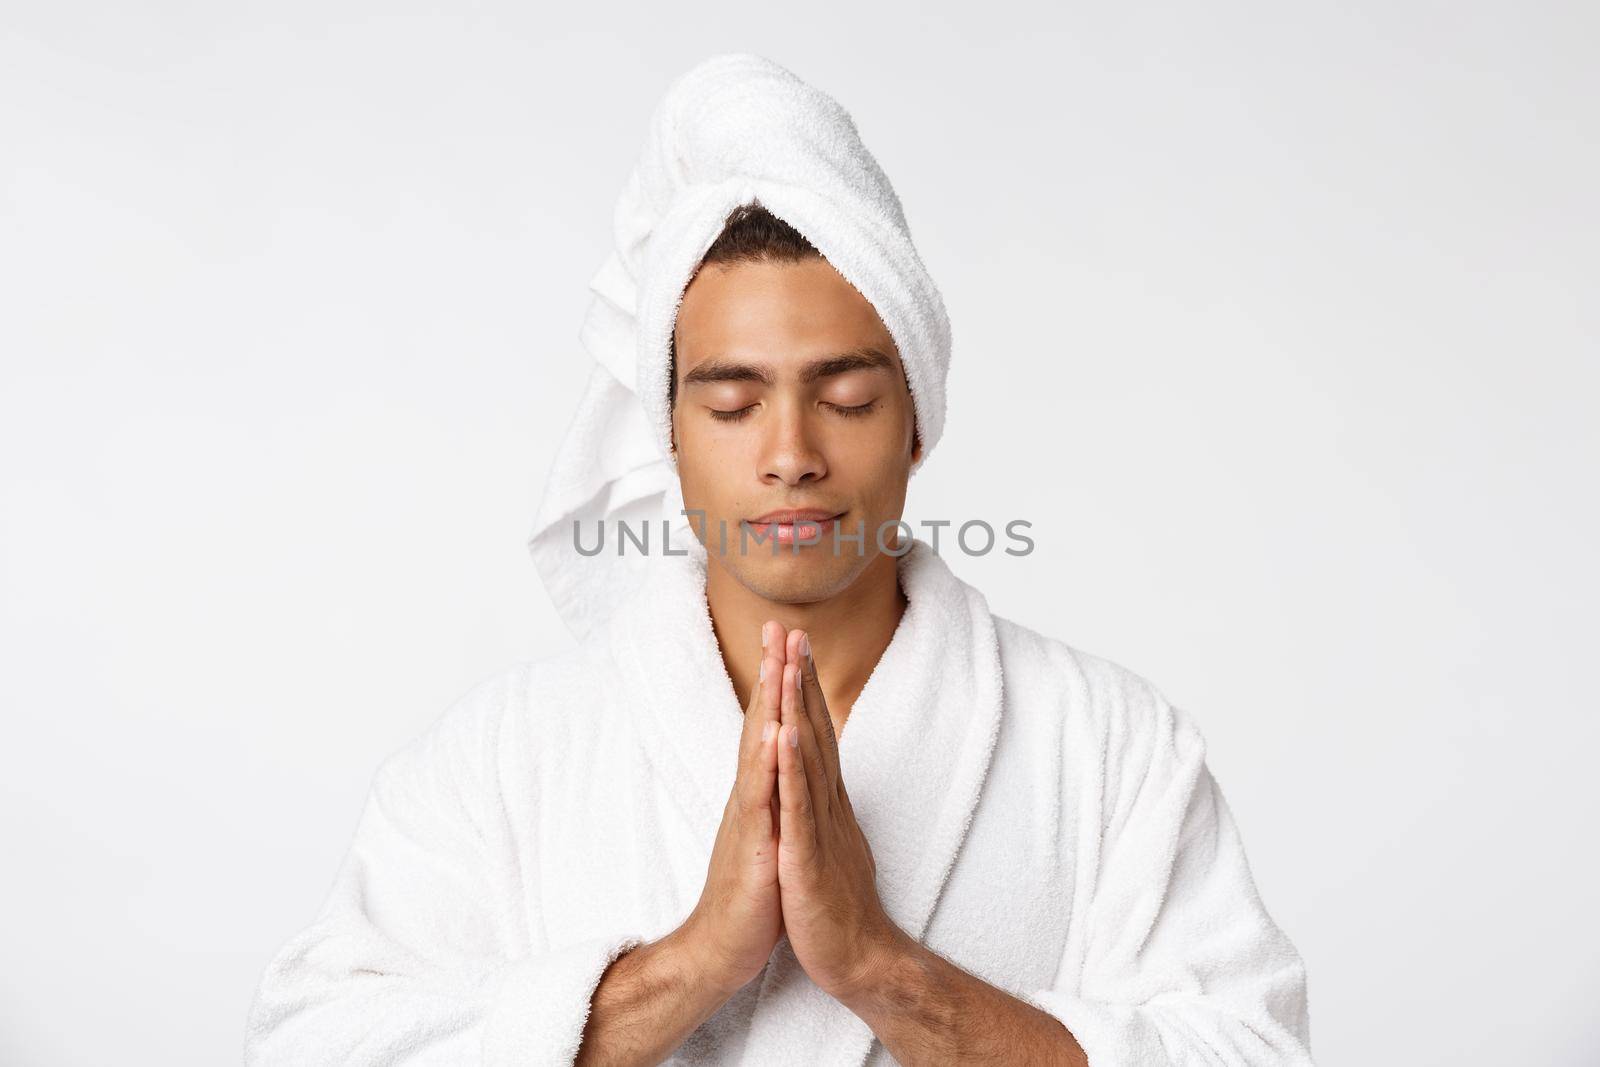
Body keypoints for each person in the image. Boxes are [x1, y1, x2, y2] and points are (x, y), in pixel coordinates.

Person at [245, 54, 1313, 1067]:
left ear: (916, 424)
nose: (791, 454)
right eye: (733, 402)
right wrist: (694, 959)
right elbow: (309, 1043)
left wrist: (883, 968)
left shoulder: (1110, 747)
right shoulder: (503, 761)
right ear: (668, 432)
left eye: (846, 398)